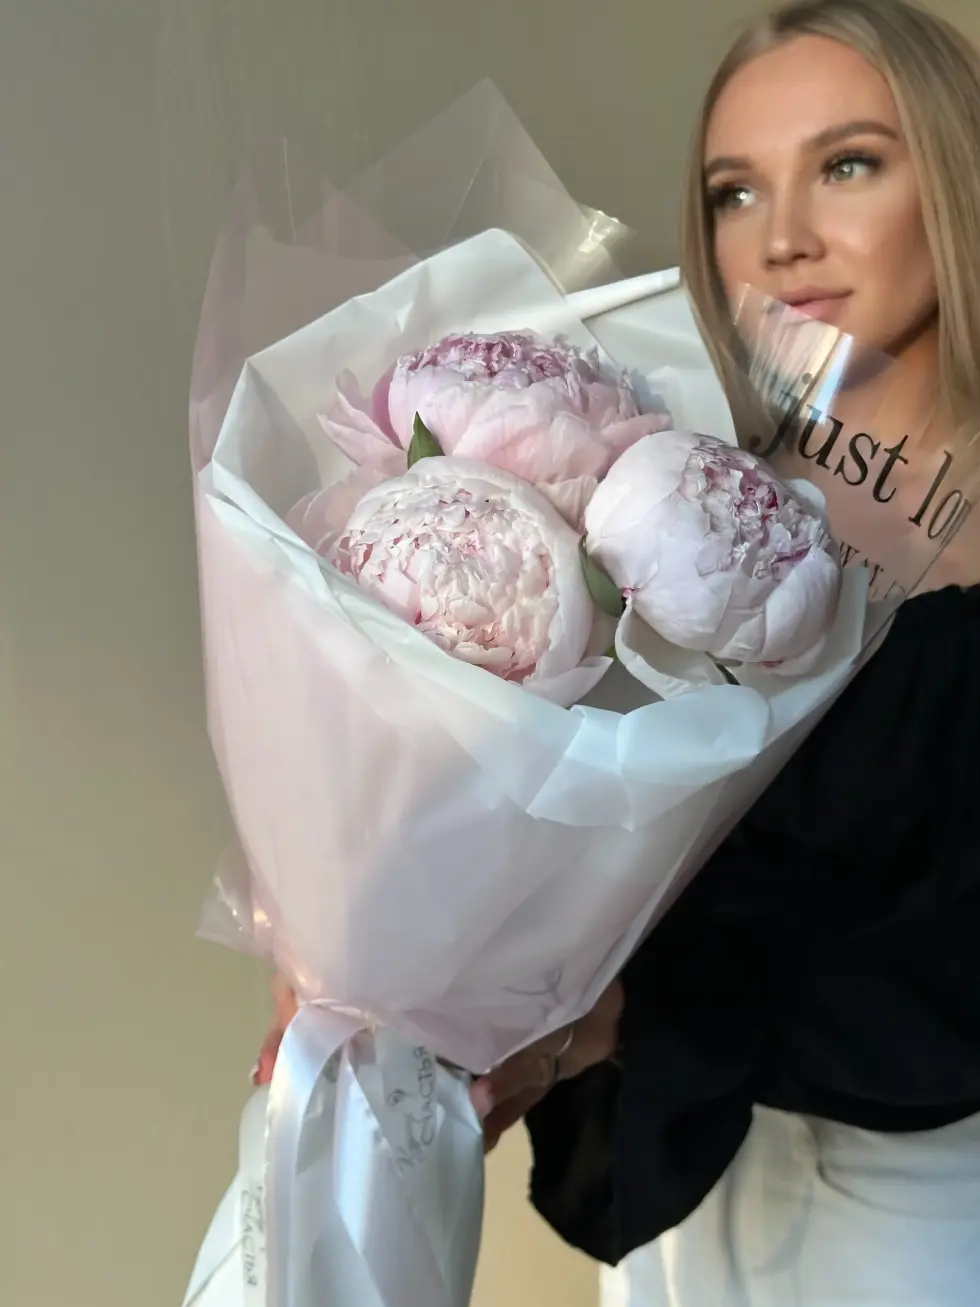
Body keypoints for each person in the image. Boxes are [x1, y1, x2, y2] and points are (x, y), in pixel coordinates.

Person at [255, 1, 980, 1301]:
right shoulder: (657, 504)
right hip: (682, 1215)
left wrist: (635, 1008)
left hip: (927, 1217)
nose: (782, 235)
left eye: (848, 164)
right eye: (733, 190)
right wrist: (390, 957)